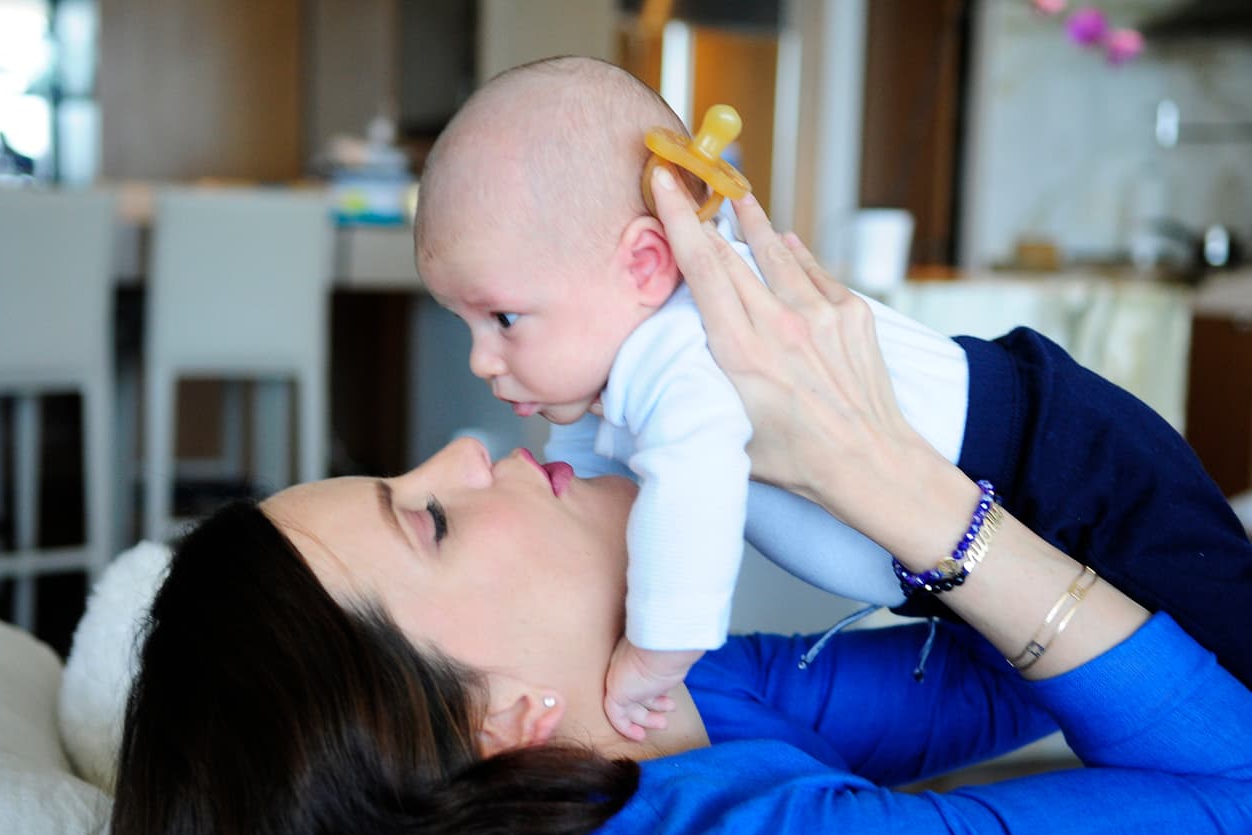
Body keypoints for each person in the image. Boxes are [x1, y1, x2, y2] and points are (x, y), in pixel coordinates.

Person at [108, 170, 1252, 835]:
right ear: (500, 721)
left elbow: (998, 674)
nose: (464, 446)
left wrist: (893, 452)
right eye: (433, 520)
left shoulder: (649, 712)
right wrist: (898, 492)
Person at [413, 56, 1252, 739]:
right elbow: (590, 490)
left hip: (1054, 460)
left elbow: (689, 498)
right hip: (977, 520)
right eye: (467, 325)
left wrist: (653, 655)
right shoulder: (623, 365)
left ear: (641, 264)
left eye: (503, 319)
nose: (485, 360)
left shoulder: (679, 356)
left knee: (1227, 636)